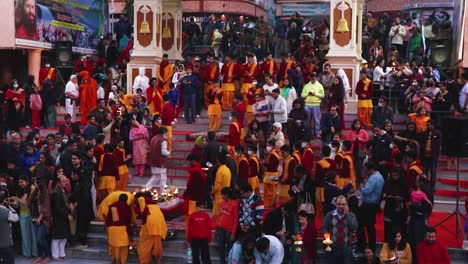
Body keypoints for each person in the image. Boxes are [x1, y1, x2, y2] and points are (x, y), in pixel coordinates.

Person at [321, 195, 358, 264]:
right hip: (332, 247)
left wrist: (347, 214)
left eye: (343, 204)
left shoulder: (351, 215)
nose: (341, 206)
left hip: (346, 248)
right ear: (335, 204)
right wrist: (327, 237)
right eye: (338, 204)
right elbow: (323, 228)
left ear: (346, 205)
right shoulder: (330, 215)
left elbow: (354, 227)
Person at [358, 161, 384, 253]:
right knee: (370, 226)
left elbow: (366, 191)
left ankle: (363, 246)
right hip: (373, 204)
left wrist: (361, 187)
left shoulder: (374, 178)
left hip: (369, 205)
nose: (365, 172)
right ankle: (370, 246)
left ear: (370, 170)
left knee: (362, 225)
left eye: (366, 170)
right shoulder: (378, 176)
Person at [136, 193, 168, 264]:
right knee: (156, 243)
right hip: (160, 225)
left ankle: (145, 261)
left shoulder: (142, 201)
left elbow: (140, 200)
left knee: (144, 244)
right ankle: (157, 260)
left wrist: (140, 198)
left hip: (150, 226)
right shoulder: (156, 205)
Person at [70, 153, 94, 249]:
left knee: (83, 224)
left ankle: (84, 243)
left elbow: (84, 196)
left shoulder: (82, 184)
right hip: (80, 206)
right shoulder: (77, 183)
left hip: (83, 207)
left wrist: (77, 203)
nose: (71, 176)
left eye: (75, 158)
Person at [382, 167, 409, 243]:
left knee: (400, 229)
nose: (395, 177)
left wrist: (401, 198)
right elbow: (384, 192)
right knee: (388, 229)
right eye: (393, 175)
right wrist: (385, 195)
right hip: (389, 208)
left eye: (396, 175)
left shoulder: (403, 184)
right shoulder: (388, 183)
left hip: (400, 210)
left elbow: (407, 196)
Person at [105, 193, 132, 264]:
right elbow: (127, 221)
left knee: (114, 247)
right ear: (126, 200)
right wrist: (129, 232)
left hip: (112, 230)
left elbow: (111, 219)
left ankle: (114, 260)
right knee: (123, 248)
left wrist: (106, 228)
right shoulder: (127, 207)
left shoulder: (113, 206)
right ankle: (120, 261)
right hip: (122, 230)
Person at [50, 175, 72, 261]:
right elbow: (57, 208)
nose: (66, 183)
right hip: (58, 218)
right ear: (58, 183)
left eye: (66, 180)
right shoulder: (55, 193)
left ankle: (62, 254)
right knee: (57, 238)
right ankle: (55, 255)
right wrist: (67, 215)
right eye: (64, 181)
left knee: (64, 238)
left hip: (63, 218)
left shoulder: (63, 191)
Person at [419, 119, 441, 193]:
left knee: (433, 172)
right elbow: (421, 143)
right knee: (424, 172)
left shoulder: (437, 133)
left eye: (429, 125)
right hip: (425, 156)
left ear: (433, 125)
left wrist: (432, 150)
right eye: (427, 125)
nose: (428, 126)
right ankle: (424, 186)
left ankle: (432, 187)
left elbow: (438, 145)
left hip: (433, 157)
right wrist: (424, 148)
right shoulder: (424, 133)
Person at [217, 188, 238, 264]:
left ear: (227, 195)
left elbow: (235, 220)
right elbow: (220, 215)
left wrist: (233, 233)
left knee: (230, 248)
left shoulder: (234, 204)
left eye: (223, 194)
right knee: (221, 247)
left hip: (229, 230)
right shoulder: (222, 203)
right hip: (220, 228)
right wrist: (217, 227)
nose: (222, 196)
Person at [187, 200, 212, 264]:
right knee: (195, 256)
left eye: (203, 207)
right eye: (200, 207)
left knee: (206, 256)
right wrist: (188, 240)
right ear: (196, 207)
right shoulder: (192, 216)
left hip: (204, 239)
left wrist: (209, 239)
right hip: (194, 239)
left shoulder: (206, 216)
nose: (201, 209)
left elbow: (209, 228)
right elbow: (189, 228)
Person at [147, 127, 171, 192]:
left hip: (153, 161)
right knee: (163, 178)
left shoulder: (153, 138)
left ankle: (146, 189)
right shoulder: (163, 140)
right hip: (160, 162)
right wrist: (169, 152)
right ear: (164, 132)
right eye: (166, 133)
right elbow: (163, 152)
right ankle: (162, 193)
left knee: (155, 177)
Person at [301, 72, 325, 136]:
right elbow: (302, 95)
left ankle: (317, 134)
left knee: (317, 120)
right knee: (307, 120)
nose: (313, 78)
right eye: (312, 77)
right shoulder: (306, 85)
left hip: (316, 105)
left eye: (314, 77)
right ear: (310, 78)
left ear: (316, 78)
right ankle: (307, 134)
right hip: (307, 104)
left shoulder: (320, 85)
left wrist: (315, 94)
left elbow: (323, 95)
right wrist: (307, 94)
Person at [0, 188, 19, 264]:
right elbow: (16, 218)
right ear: (4, 200)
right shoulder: (7, 213)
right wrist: (10, 207)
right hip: (5, 245)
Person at [212, 155, 231, 221]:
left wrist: (212, 192)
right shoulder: (228, 170)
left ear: (218, 161)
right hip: (227, 195)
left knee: (218, 216)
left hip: (219, 196)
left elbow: (217, 186)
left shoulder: (219, 171)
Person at [263, 140, 280, 208]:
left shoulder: (273, 154)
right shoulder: (273, 153)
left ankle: (269, 204)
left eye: (269, 145)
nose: (267, 147)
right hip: (274, 174)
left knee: (270, 191)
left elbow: (271, 166)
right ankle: (271, 204)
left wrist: (264, 163)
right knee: (273, 190)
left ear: (273, 146)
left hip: (271, 175)